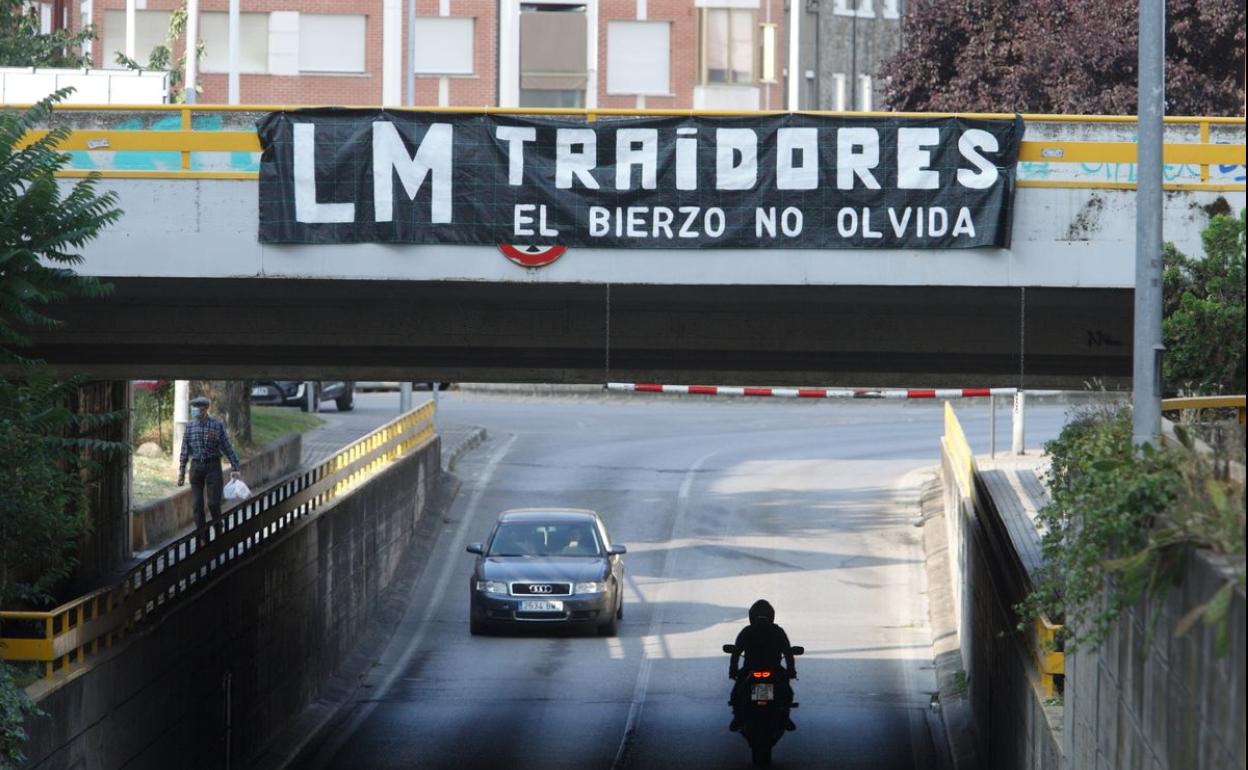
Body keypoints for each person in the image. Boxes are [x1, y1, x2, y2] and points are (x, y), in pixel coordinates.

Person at [177, 395, 242, 537]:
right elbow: (184, 450)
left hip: (213, 467)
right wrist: (181, 472)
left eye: (197, 407)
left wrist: (235, 466)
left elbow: (226, 447)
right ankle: (202, 537)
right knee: (197, 506)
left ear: (206, 409)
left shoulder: (216, 425)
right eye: (193, 407)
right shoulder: (189, 427)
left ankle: (219, 531)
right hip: (196, 468)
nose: (194, 410)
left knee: (213, 504)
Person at [728, 599, 797, 732]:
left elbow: (736, 653)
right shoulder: (778, 631)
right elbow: (788, 653)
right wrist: (791, 671)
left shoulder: (747, 631)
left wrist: (733, 671)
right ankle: (785, 717)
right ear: (771, 616)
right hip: (774, 669)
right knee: (786, 692)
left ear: (751, 616)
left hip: (749, 669)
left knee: (736, 693)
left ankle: (737, 718)